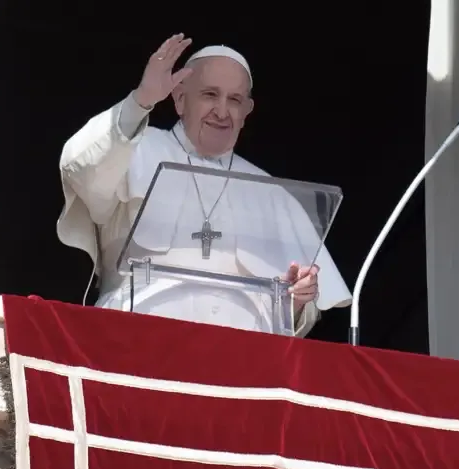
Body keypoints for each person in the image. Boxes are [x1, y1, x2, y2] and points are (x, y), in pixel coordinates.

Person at [58, 34, 350, 336]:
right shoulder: (133, 148)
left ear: (247, 111)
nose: (222, 112)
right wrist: (141, 100)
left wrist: (297, 300)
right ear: (180, 98)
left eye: (234, 100)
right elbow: (80, 169)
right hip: (139, 341)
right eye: (210, 95)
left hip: (242, 356)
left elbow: (291, 316)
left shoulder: (272, 192)